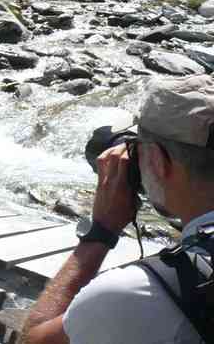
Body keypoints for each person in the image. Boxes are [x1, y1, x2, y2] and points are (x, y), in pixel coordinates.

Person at [22, 74, 214, 344]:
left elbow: (34, 340)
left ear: (158, 161)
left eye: (138, 149)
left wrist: (100, 232)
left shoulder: (132, 294)